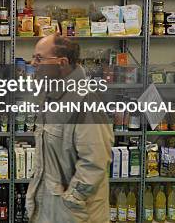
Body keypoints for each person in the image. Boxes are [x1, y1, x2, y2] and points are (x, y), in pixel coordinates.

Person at [25, 34, 114, 223]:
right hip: (50, 209)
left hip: (74, 215)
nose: (33, 63)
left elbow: (95, 161)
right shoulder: (51, 96)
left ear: (62, 63)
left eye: (39, 58)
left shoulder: (85, 100)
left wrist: (72, 200)